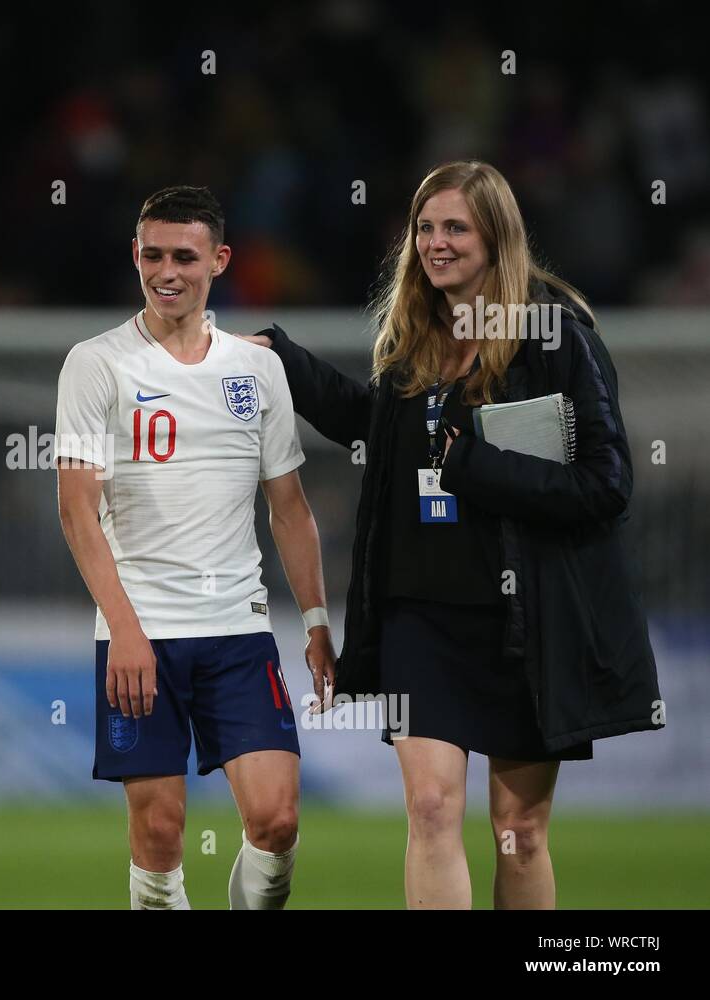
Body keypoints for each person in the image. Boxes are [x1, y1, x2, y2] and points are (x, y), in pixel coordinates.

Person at [244, 160, 662, 909]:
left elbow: (607, 484)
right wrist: (286, 362)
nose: (436, 243)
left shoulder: (555, 334)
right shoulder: (416, 336)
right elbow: (380, 431)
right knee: (432, 809)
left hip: (526, 623)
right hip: (420, 617)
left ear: (497, 237)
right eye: (426, 228)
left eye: (455, 228)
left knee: (519, 830)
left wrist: (478, 466)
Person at [55, 186, 336, 910]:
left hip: (238, 631)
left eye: (185, 255)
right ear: (135, 256)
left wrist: (314, 622)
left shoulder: (257, 369)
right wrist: (123, 629)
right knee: (160, 832)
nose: (167, 270)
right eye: (152, 254)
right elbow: (78, 511)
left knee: (276, 820)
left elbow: (291, 511)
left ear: (220, 259)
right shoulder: (96, 364)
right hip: (139, 628)